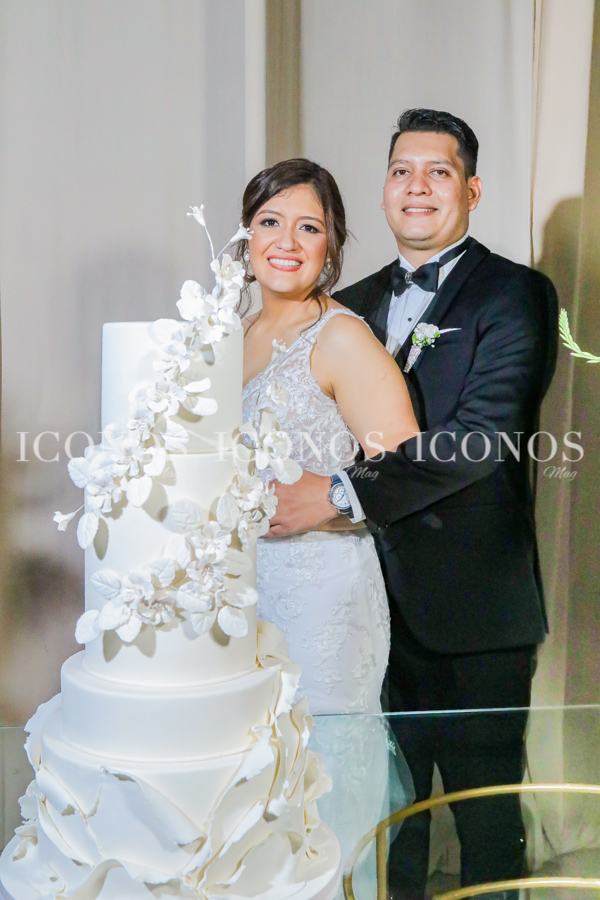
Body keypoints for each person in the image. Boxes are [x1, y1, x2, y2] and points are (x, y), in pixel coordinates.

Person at [266, 110, 559, 898]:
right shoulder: (345, 302)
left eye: (438, 170)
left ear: (472, 188)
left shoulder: (517, 293)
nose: (417, 186)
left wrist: (332, 494)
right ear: (385, 188)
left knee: (485, 821)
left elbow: (481, 438)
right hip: (357, 608)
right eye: (402, 170)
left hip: (472, 611)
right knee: (378, 817)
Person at [237, 158, 418, 896]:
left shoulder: (340, 337)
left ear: (332, 245)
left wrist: (330, 497)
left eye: (308, 226)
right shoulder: (235, 332)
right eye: (269, 222)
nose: (286, 240)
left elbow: (409, 464)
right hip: (246, 596)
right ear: (245, 236)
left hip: (325, 596)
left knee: (321, 788)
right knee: (257, 796)